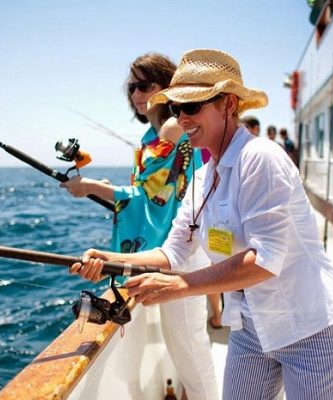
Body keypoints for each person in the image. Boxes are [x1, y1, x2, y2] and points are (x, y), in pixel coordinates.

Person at [70, 49, 333, 400]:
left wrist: (182, 285)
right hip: (252, 326)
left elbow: (266, 259)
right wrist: (111, 258)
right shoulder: (203, 177)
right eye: (176, 109)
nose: (182, 118)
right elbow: (173, 251)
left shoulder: (260, 158)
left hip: (310, 327)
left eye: (192, 107)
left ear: (229, 104)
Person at [60, 53, 218, 400]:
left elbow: (151, 196)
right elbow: (151, 193)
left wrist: (90, 187)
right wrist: (94, 186)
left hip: (182, 256)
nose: (136, 94)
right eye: (132, 86)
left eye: (145, 85)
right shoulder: (153, 134)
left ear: (167, 87)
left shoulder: (172, 128)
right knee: (186, 347)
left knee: (191, 351)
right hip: (176, 251)